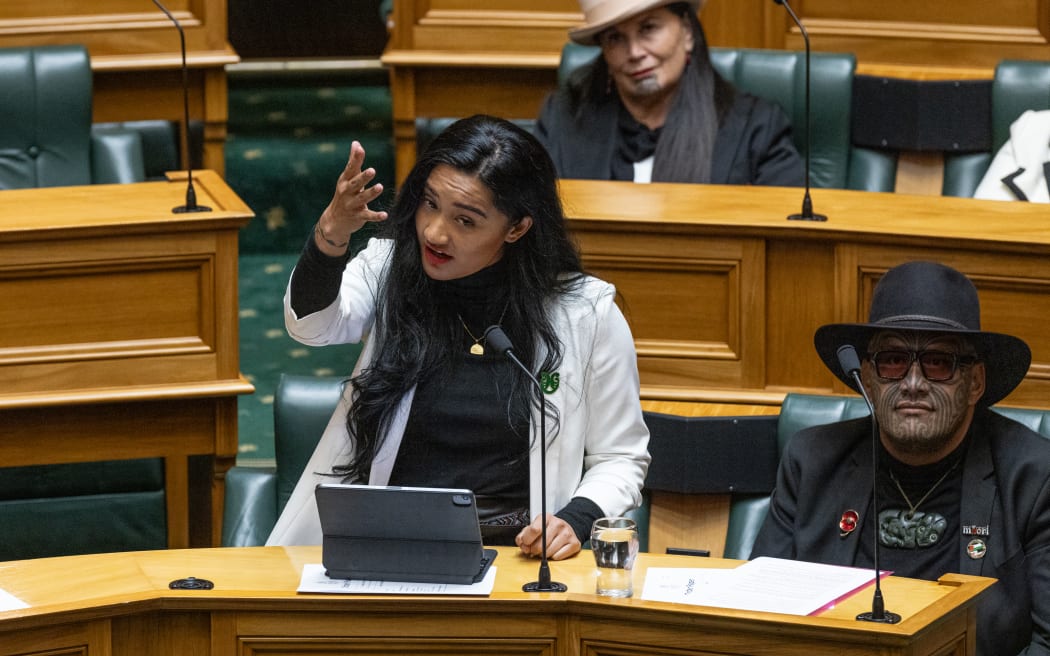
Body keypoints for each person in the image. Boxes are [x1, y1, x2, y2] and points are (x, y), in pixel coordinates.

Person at [265, 114, 651, 561]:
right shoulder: (389, 269)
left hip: (517, 555)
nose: (434, 232)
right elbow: (311, 326)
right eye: (430, 204)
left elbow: (621, 455)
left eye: (465, 221)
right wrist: (331, 234)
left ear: (517, 228)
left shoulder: (586, 312)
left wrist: (576, 519)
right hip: (388, 544)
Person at [751, 261, 1050, 655]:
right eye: (892, 360)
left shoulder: (1032, 478)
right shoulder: (812, 462)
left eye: (938, 362)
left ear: (975, 382)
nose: (912, 384)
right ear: (869, 379)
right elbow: (758, 618)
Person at [535, 0, 804, 186]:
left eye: (648, 28)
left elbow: (789, 238)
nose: (635, 53)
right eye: (615, 38)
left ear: (687, 31)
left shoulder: (756, 127)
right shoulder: (562, 119)